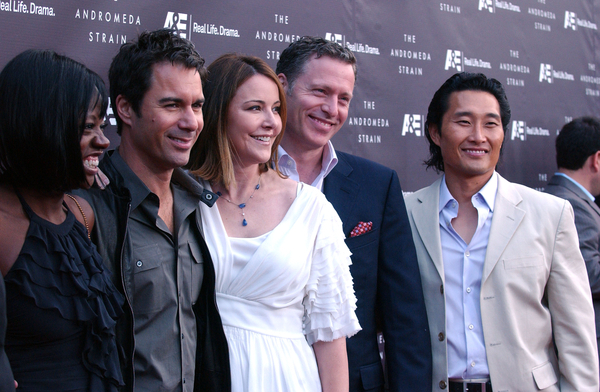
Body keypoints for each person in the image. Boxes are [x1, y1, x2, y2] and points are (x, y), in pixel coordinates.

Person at [405, 72, 599, 392]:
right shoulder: (406, 213)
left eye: (491, 124)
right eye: (464, 122)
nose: (478, 136)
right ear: (435, 133)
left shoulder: (549, 214)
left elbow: (576, 335)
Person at [186, 53, 361, 392]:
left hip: (288, 377)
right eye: (255, 108)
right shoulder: (182, 196)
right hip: (202, 373)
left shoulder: (311, 208)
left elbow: (330, 337)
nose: (271, 122)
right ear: (218, 114)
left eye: (276, 109)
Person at [74, 29, 230, 392]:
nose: (191, 122)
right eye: (172, 105)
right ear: (126, 109)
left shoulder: (200, 203)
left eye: (197, 105)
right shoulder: (87, 207)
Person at [274, 36, 431, 392]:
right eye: (320, 92)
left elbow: (404, 316)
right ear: (282, 87)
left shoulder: (377, 184)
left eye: (343, 98)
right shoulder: (236, 175)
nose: (332, 109)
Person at [0, 49, 124, 391]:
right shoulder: (4, 229)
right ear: (40, 124)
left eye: (102, 126)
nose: (103, 141)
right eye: (88, 127)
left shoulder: (81, 214)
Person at [545, 116, 600, 367]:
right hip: (587, 345)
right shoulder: (572, 205)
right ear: (596, 160)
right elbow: (588, 274)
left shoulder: (563, 198)